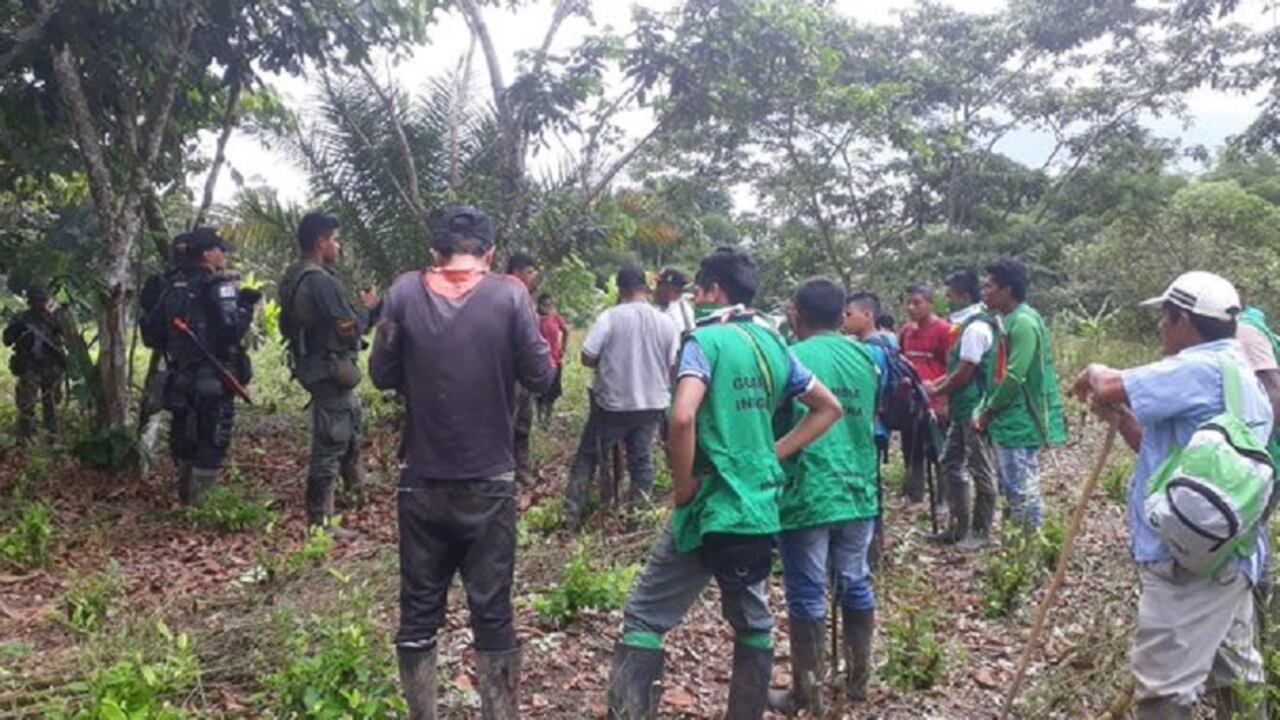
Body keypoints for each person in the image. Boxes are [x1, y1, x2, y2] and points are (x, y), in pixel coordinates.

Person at [606, 248, 842, 720]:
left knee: (645, 616)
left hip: (709, 505)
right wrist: (771, 454)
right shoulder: (774, 344)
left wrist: (683, 488)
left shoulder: (705, 343)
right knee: (753, 619)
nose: (697, 295)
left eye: (700, 287)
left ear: (714, 291)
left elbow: (682, 416)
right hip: (757, 507)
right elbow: (829, 407)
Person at [370, 207, 552, 720]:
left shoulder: (403, 292)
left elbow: (382, 374)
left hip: (422, 481)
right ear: (489, 253)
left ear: (436, 252)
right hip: (490, 482)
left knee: (418, 614)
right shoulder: (511, 294)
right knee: (493, 613)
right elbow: (539, 374)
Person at [1072, 271, 1271, 720]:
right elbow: (1164, 454)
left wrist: (1093, 373)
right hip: (1229, 551)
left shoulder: (1198, 367)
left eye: (1165, 316)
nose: (1160, 327)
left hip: (1187, 559)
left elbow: (1105, 384)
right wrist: (1122, 419)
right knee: (1237, 676)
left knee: (1164, 690)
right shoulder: (1239, 372)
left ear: (1183, 320)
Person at [768, 278, 881, 715]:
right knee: (854, 580)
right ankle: (857, 683)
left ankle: (807, 694)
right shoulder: (868, 358)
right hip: (858, 487)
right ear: (839, 315)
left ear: (796, 312)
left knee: (807, 593)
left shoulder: (790, 358)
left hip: (807, 489)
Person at [278, 212, 380, 536]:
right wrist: (369, 310)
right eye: (335, 240)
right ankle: (320, 523)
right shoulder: (322, 281)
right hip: (328, 367)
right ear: (321, 242)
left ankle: (356, 492)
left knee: (348, 426)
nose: (338, 246)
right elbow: (347, 328)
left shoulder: (294, 276)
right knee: (330, 442)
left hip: (314, 363)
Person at [564, 266, 678, 529]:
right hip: (651, 405)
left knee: (588, 457)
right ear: (645, 289)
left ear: (621, 289)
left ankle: (571, 514)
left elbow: (587, 356)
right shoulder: (666, 322)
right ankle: (637, 521)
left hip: (613, 404)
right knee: (642, 461)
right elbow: (672, 365)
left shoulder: (610, 317)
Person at [149, 228, 258, 505]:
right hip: (213, 376)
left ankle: (185, 498)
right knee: (212, 438)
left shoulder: (171, 287)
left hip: (180, 376)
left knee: (185, 437)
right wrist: (245, 304)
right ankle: (202, 506)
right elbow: (231, 331)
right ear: (208, 254)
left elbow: (153, 335)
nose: (224, 255)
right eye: (220, 250)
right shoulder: (217, 287)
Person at [974, 258, 1065, 531]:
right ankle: (1017, 542)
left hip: (1019, 419)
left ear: (1008, 290)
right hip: (1006, 418)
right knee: (1013, 486)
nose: (984, 292)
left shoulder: (1023, 323)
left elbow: (1015, 375)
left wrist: (989, 411)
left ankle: (1027, 549)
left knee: (1022, 488)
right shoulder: (1005, 321)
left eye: (990, 287)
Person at [925, 270, 999, 549]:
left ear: (964, 295)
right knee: (950, 461)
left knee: (981, 469)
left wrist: (939, 390)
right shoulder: (966, 324)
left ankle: (980, 531)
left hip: (974, 409)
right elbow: (957, 369)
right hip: (962, 408)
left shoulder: (976, 328)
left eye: (950, 295)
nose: (947, 300)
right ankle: (958, 527)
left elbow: (966, 373)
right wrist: (939, 384)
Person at [898, 284, 951, 504]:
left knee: (939, 450)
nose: (912, 307)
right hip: (911, 401)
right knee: (911, 448)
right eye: (908, 303)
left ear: (930, 303)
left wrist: (943, 399)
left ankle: (944, 498)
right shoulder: (906, 332)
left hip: (935, 400)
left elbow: (953, 368)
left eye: (917, 302)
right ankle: (915, 494)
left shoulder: (945, 331)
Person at [4, 286, 66, 441]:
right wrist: (16, 329)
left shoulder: (54, 319)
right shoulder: (21, 319)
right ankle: (25, 437)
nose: (40, 304)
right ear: (29, 302)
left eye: (43, 300)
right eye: (36, 300)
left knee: (51, 404)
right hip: (29, 367)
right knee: (27, 404)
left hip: (51, 367)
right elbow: (6, 340)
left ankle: (52, 436)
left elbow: (69, 339)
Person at [507, 250, 539, 485]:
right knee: (505, 422)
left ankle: (522, 467)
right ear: (517, 272)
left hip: (524, 373)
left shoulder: (527, 299)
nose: (532, 276)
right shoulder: (504, 296)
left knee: (523, 422)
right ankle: (505, 469)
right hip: (506, 372)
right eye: (529, 271)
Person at [535, 293, 569, 425]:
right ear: (539, 305)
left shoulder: (556, 318)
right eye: (545, 305)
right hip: (540, 361)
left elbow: (566, 331)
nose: (548, 308)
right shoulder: (535, 319)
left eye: (550, 305)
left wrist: (563, 349)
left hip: (555, 360)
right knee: (539, 392)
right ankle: (539, 418)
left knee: (553, 392)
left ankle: (547, 419)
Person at [655, 267, 696, 337]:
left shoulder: (679, 314)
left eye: (660, 285)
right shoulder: (662, 309)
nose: (656, 289)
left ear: (671, 289)